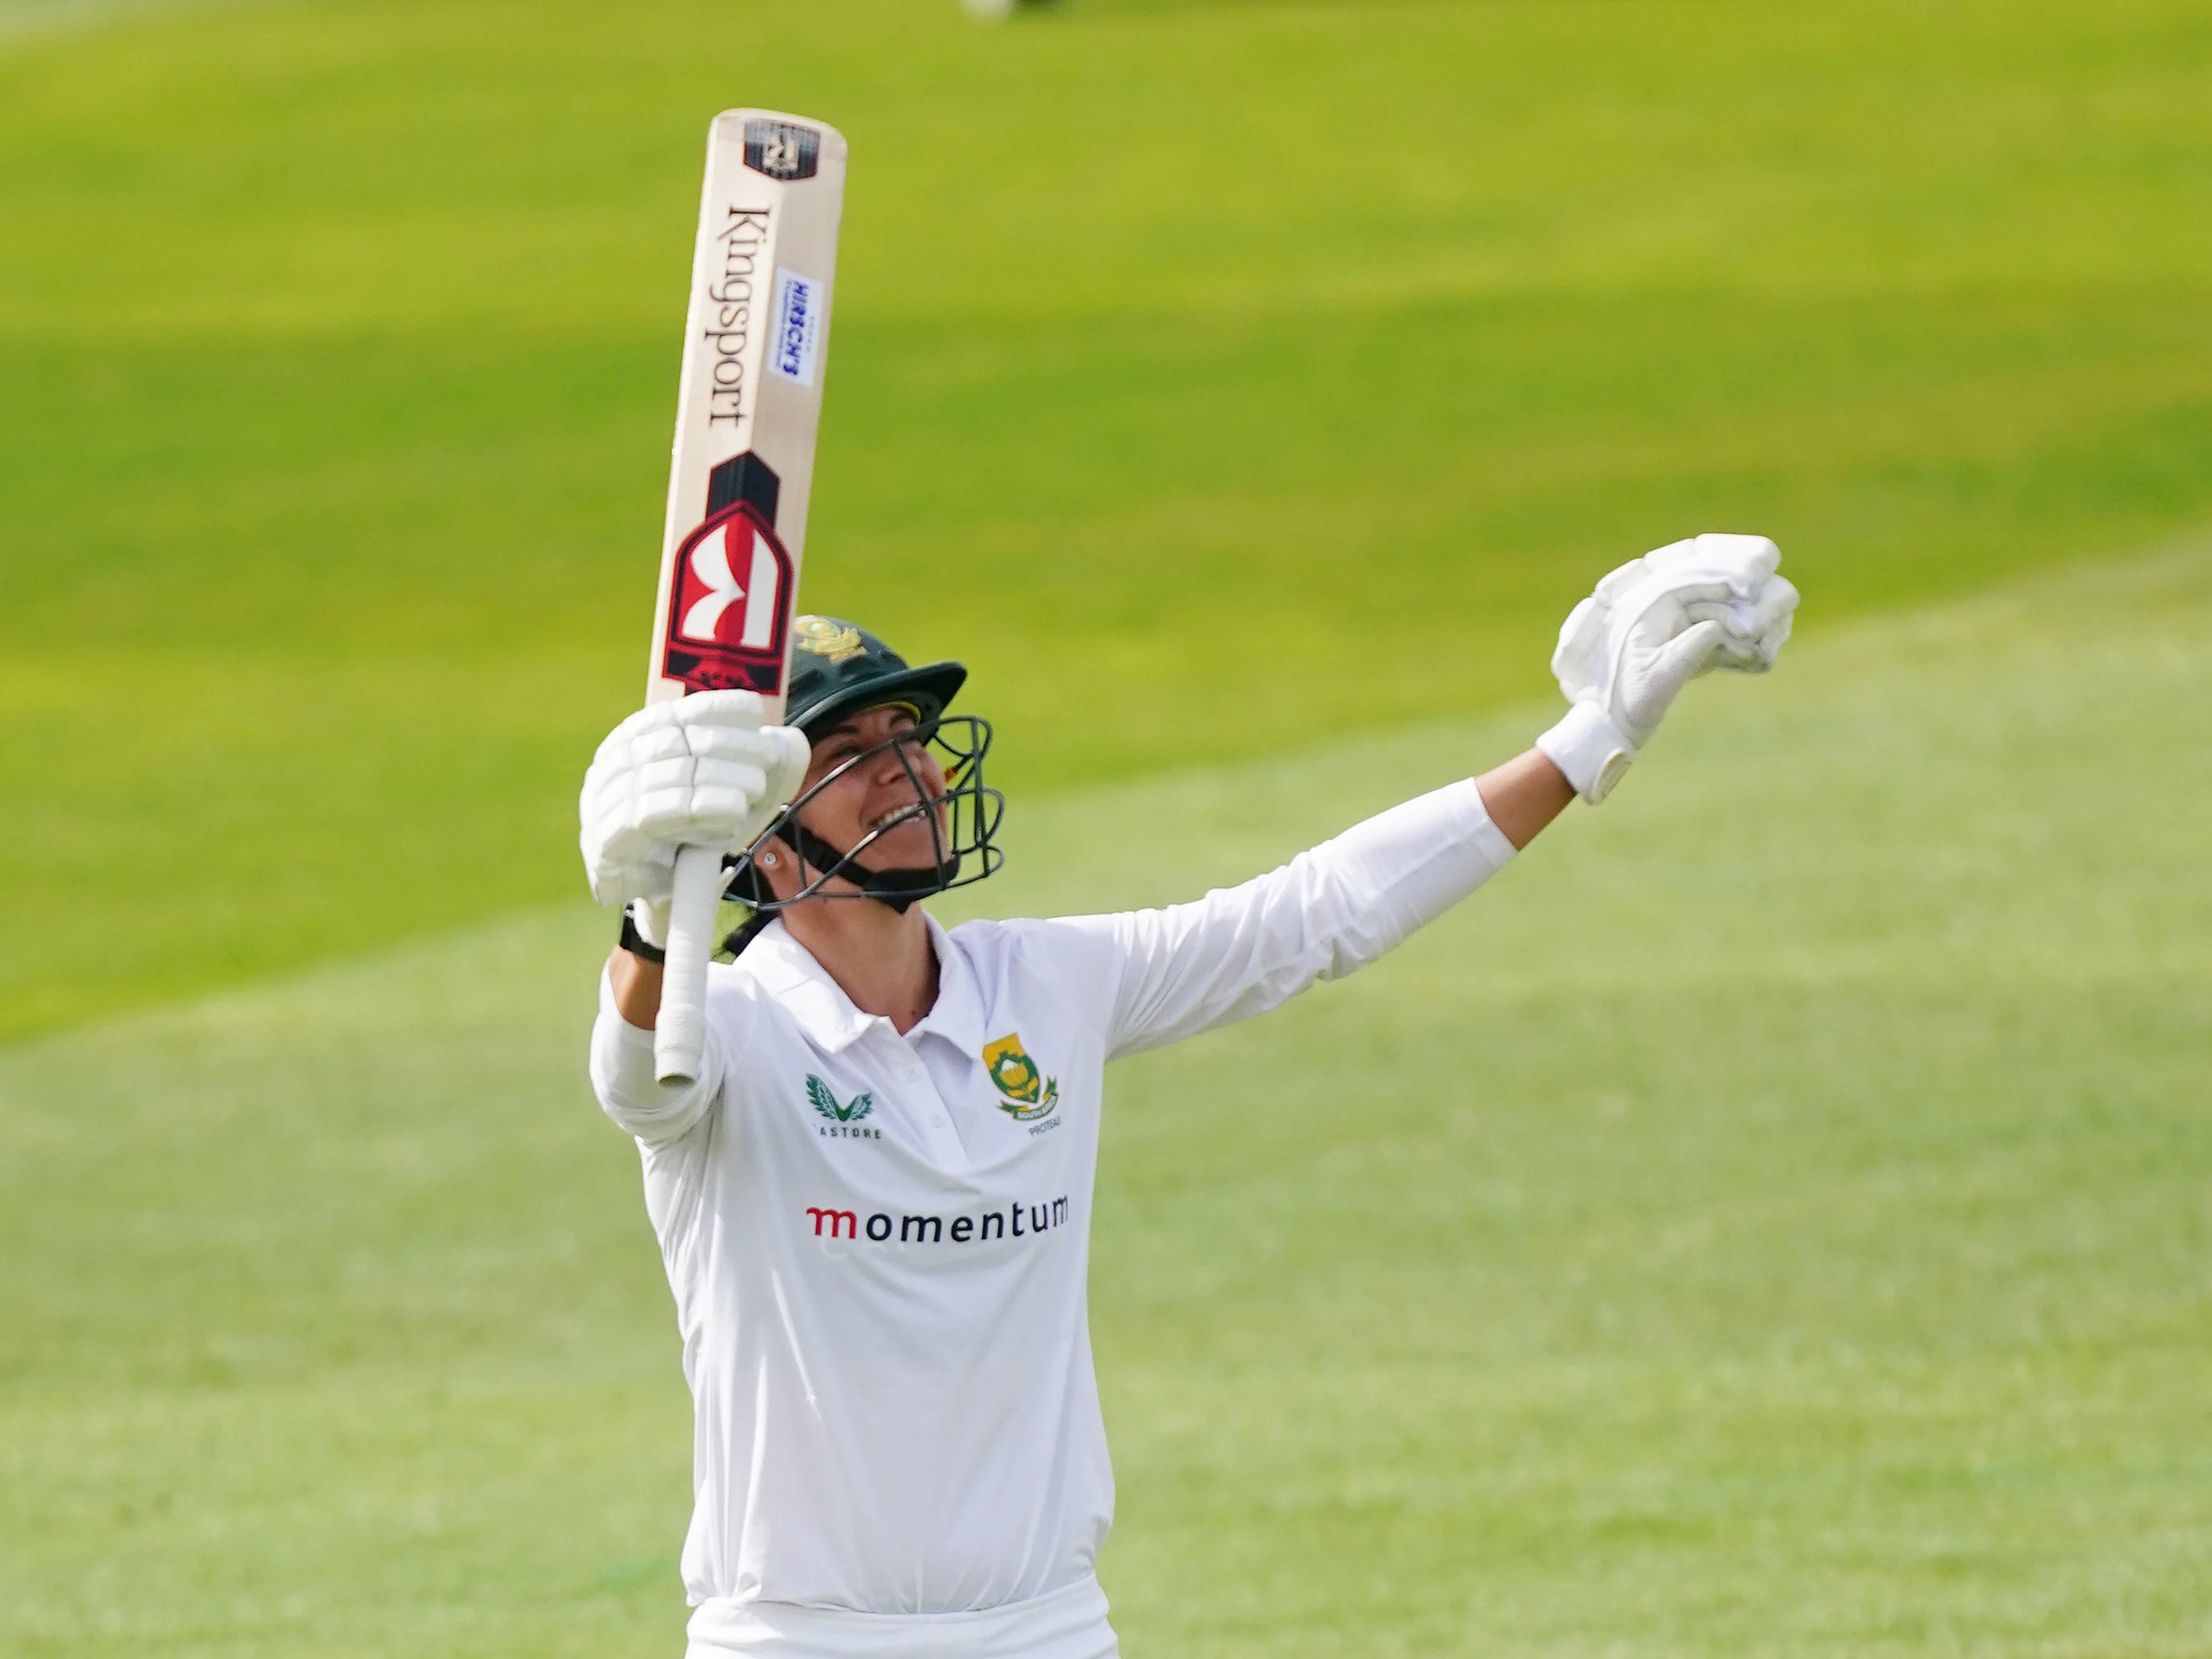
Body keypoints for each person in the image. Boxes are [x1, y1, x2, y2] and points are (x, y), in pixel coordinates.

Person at [579, 536, 1799, 1658]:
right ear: (765, 843)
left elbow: (1314, 914)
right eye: (851, 757)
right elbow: (635, 1078)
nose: (908, 772)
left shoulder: (1043, 985)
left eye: (910, 738)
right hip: (798, 1643)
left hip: (1045, 1630)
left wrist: (1583, 743)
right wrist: (650, 917)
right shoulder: (727, 1031)